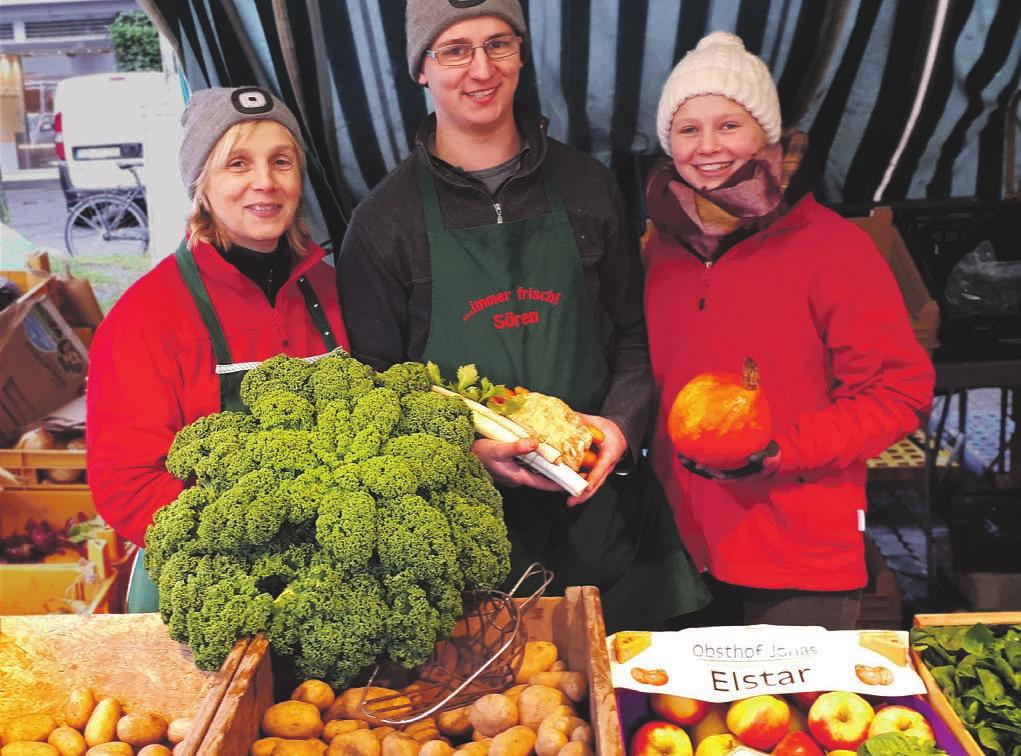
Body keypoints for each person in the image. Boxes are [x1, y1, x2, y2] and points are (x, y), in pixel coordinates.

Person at [338, 0, 708, 631]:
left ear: (520, 54)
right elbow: (376, 393)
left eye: (499, 44)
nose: (481, 68)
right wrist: (472, 451)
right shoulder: (384, 224)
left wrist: (617, 427)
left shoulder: (589, 188)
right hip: (463, 538)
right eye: (455, 49)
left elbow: (634, 338)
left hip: (603, 523)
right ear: (421, 70)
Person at [642, 32, 935, 629]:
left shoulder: (834, 250)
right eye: (688, 129)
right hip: (680, 553)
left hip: (798, 554)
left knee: (795, 723)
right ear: (668, 145)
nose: (707, 148)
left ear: (768, 136)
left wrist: (782, 451)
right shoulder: (659, 252)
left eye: (729, 125)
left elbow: (897, 392)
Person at [86, 87, 349, 611]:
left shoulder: (332, 290)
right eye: (238, 163)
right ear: (201, 184)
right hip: (203, 590)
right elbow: (125, 483)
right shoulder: (147, 316)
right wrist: (260, 544)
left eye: (282, 162)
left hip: (333, 588)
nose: (265, 183)